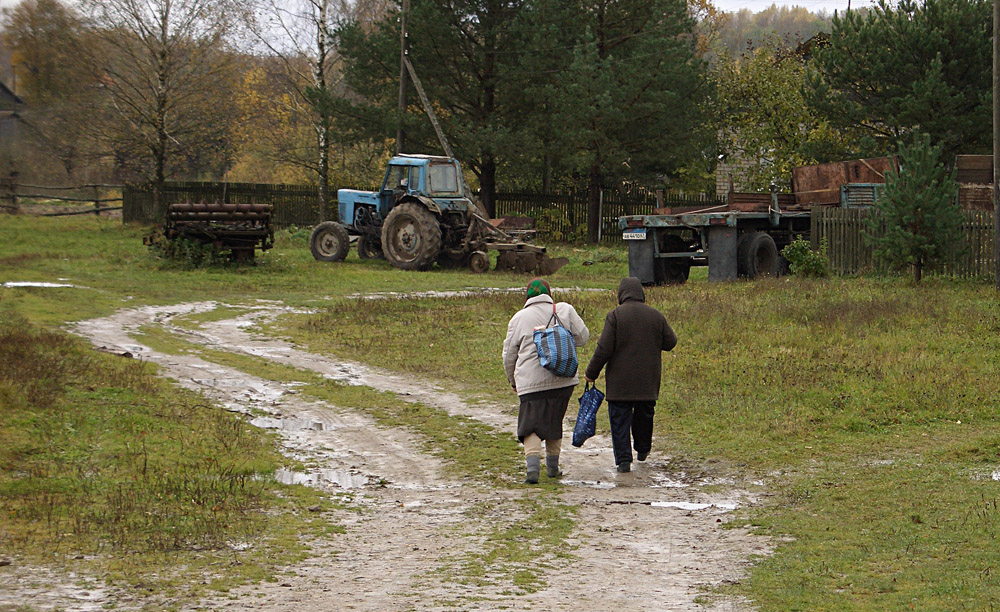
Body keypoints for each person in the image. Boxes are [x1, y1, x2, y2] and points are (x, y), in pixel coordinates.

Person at [585, 277, 677, 473]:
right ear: (641, 294)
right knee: (645, 415)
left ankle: (624, 460)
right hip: (647, 382)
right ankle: (643, 449)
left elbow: (604, 349)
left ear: (621, 294)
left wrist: (591, 373)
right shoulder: (656, 316)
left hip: (620, 384)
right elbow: (671, 342)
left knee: (619, 419)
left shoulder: (616, 316)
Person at [503, 278, 590, 484]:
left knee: (530, 424)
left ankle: (532, 470)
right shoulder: (564, 310)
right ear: (549, 293)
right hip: (563, 379)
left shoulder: (519, 318)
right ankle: (552, 468)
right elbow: (583, 338)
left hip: (530, 382)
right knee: (554, 420)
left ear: (527, 296)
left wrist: (512, 380)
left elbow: (509, 355)